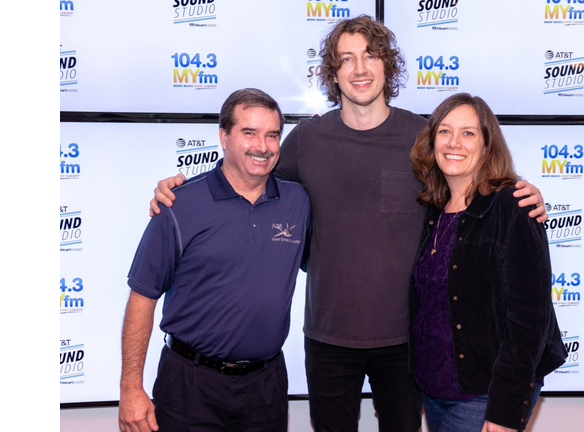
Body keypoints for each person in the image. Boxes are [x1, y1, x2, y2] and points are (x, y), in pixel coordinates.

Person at [149, 16, 549, 432]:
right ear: (333, 73)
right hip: (328, 337)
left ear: (386, 66)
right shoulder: (306, 140)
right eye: (347, 59)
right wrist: (181, 187)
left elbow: (466, 172)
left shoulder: (421, 135)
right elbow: (248, 176)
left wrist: (520, 190)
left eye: (370, 56)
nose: (359, 69)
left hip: (407, 341)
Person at [119, 89, 311, 432]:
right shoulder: (178, 205)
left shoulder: (297, 201)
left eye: (272, 135)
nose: (262, 146)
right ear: (224, 137)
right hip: (189, 385)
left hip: (266, 386)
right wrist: (131, 388)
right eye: (249, 133)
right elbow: (142, 297)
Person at [408, 93, 567, 432]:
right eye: (445, 131)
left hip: (485, 395)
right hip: (433, 391)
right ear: (432, 140)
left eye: (468, 133)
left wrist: (505, 408)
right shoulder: (433, 212)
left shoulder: (512, 206)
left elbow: (529, 320)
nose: (454, 143)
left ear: (486, 145)